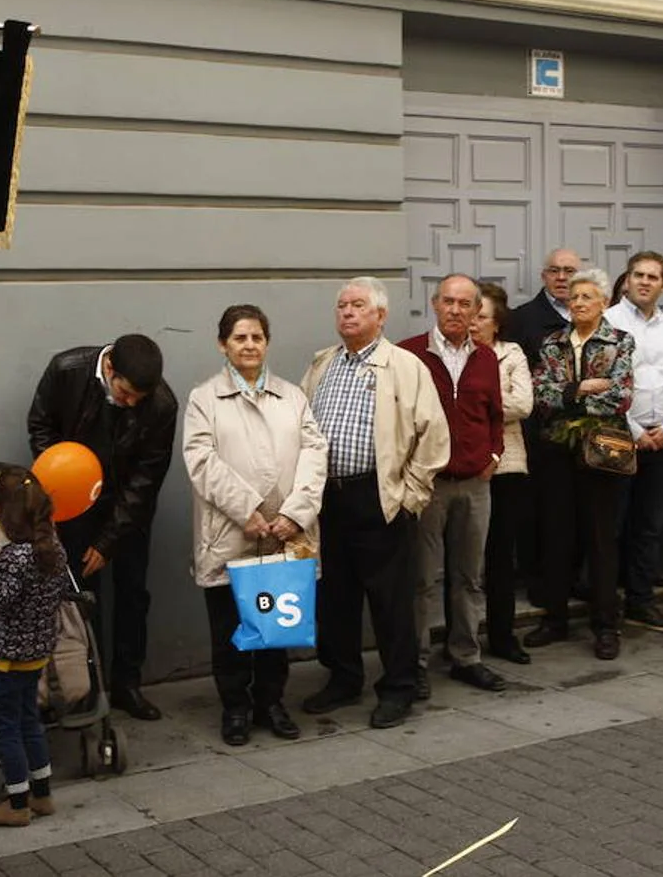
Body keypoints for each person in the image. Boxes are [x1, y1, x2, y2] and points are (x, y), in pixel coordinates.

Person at [300, 277, 449, 729]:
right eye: (342, 305)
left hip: (380, 499)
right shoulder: (322, 364)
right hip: (329, 500)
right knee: (335, 598)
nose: (347, 312)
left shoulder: (404, 367)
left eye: (358, 305)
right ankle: (344, 678)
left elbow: (434, 438)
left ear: (380, 316)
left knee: (390, 602)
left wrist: (410, 497)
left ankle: (400, 687)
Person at [183, 305, 327, 746]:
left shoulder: (292, 396)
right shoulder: (203, 399)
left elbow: (314, 453)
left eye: (257, 338)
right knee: (231, 630)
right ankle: (236, 708)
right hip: (232, 535)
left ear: (267, 343)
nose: (249, 345)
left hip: (285, 536)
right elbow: (201, 460)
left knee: (275, 630)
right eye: (240, 338)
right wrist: (248, 510)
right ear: (222, 344)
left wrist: (293, 514)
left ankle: (271, 702)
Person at [27, 334, 178, 721]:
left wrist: (109, 540)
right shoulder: (67, 370)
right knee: (79, 598)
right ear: (109, 368)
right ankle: (85, 686)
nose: (130, 403)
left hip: (128, 511)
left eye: (137, 400)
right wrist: (63, 479)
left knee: (132, 596)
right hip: (73, 504)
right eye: (125, 393)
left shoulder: (161, 403)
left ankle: (127, 684)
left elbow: (147, 479)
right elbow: (41, 427)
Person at [398, 276, 506, 698]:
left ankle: (465, 656)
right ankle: (416, 661)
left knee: (468, 576)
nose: (456, 310)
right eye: (449, 302)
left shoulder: (486, 358)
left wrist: (493, 456)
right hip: (429, 485)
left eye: (465, 304)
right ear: (434, 304)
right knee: (422, 578)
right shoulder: (409, 355)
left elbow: (495, 415)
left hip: (475, 485)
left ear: (476, 310)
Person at [523, 269, 635, 661]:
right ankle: (554, 620)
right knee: (557, 536)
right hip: (557, 452)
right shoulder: (551, 343)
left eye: (588, 296)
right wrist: (581, 388)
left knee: (601, 540)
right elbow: (540, 393)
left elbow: (620, 398)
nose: (579, 303)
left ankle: (606, 625)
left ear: (604, 302)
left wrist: (567, 395)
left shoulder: (619, 341)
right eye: (574, 297)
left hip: (602, 452)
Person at [0, 467, 67, 827]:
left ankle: (17, 803)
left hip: (5, 657)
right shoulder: (53, 547)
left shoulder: (16, 556)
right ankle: (42, 796)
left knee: (6, 726)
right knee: (30, 721)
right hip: (36, 652)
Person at [604, 251, 663, 632]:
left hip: (662, 441)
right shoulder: (608, 322)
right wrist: (635, 431)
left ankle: (641, 601)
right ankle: (607, 608)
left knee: (650, 526)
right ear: (626, 280)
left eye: (652, 277)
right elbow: (607, 384)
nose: (643, 281)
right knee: (613, 524)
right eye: (637, 274)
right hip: (620, 438)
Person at [508, 248, 581, 606]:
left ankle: (573, 579)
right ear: (543, 276)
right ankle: (539, 582)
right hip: (540, 435)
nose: (562, 277)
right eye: (555, 270)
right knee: (540, 515)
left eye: (569, 271)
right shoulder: (522, 320)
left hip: (584, 435)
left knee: (576, 514)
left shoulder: (592, 315)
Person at [473, 283, 533, 665]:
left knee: (499, 557)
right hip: (462, 468)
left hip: (507, 466)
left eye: (482, 316)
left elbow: (523, 403)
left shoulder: (510, 354)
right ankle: (460, 637)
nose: (474, 322)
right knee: (461, 560)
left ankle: (502, 634)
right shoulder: (453, 357)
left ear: (497, 323)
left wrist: (476, 401)